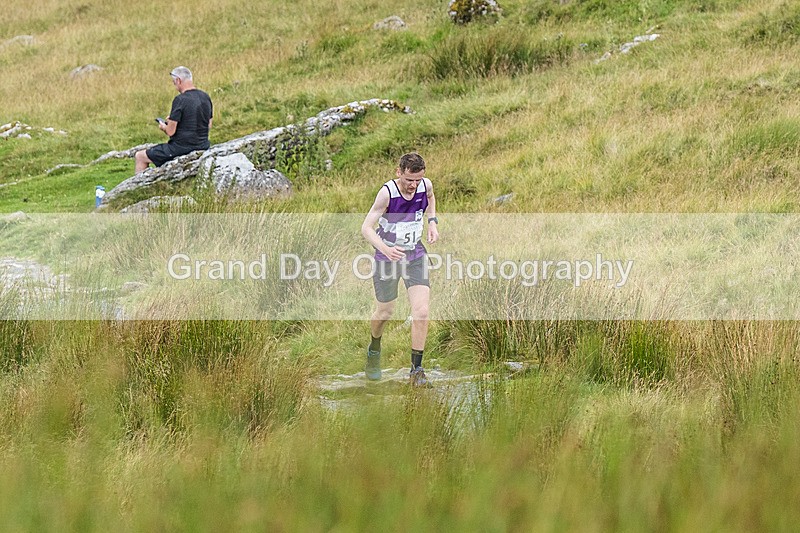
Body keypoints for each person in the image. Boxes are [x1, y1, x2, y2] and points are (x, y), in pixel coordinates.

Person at [361, 153, 439, 386]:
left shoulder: (425, 185)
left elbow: (431, 198)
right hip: (387, 258)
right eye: (408, 180)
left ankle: (416, 371)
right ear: (399, 173)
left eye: (417, 180)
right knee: (385, 313)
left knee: (421, 312)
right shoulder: (387, 193)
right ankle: (374, 348)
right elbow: (366, 228)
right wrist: (385, 249)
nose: (413, 185)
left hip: (415, 255)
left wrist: (432, 222)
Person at [134, 66, 213, 173]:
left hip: (181, 148)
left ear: (178, 80)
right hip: (203, 145)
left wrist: (164, 126)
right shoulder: (205, 97)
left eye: (174, 82)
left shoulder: (180, 100)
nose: (174, 85)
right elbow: (208, 125)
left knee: (140, 156)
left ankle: (139, 186)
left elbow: (171, 132)